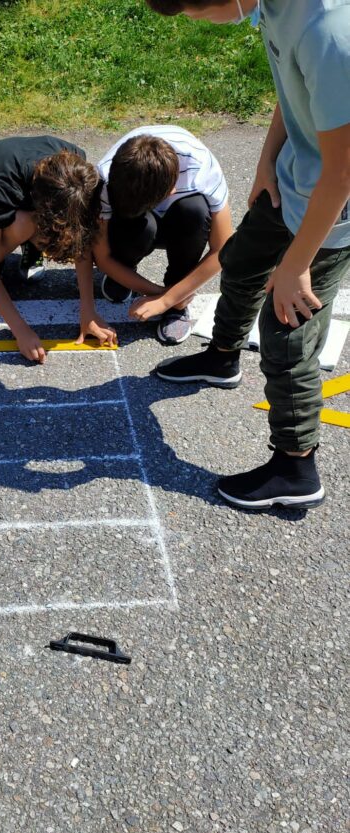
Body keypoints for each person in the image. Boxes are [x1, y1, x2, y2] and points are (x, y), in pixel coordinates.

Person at [145, 0, 350, 510]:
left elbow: (344, 172)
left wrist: (297, 264)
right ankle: (221, 358)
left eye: (195, 13)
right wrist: (266, 161)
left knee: (287, 331)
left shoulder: (329, 31)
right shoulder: (275, 7)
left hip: (334, 208)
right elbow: (294, 89)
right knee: (240, 262)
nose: (196, 24)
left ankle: (295, 466)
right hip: (293, 179)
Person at [0, 135, 116, 363]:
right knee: (24, 225)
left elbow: (81, 238)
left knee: (51, 225)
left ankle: (32, 248)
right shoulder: (1, 189)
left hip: (28, 200)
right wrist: (21, 331)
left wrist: (88, 310)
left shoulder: (78, 170)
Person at [92, 125, 233, 344]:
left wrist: (169, 299)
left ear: (170, 192)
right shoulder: (107, 174)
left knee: (194, 210)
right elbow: (102, 257)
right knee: (143, 226)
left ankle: (179, 290)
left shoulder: (202, 170)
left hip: (180, 221)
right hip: (138, 226)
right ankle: (125, 269)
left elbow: (223, 248)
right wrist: (162, 294)